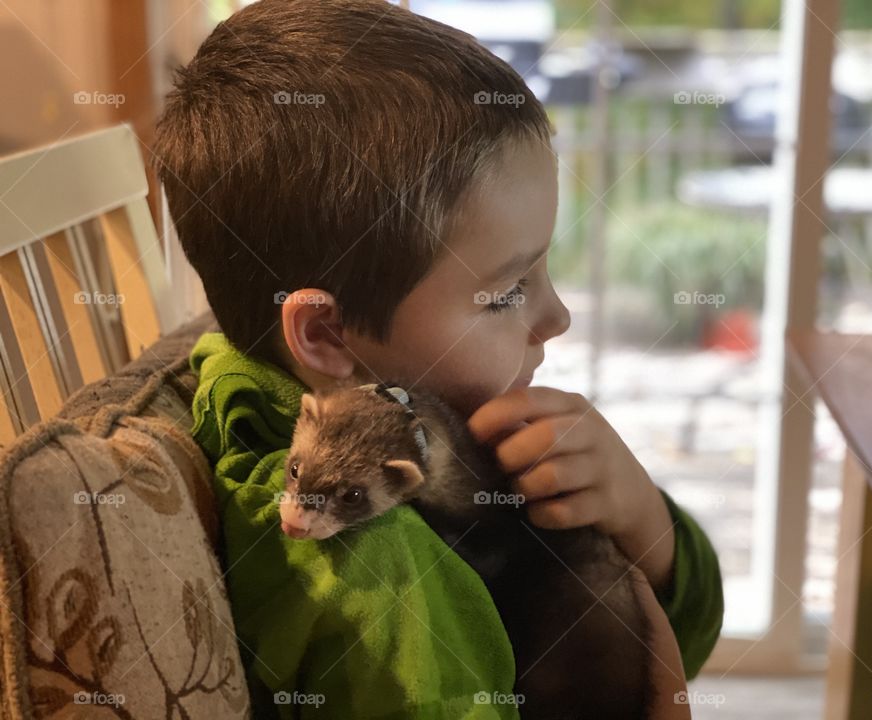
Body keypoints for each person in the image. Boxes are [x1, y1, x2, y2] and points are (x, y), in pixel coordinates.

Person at [153, 0, 723, 717]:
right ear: (327, 336)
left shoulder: (434, 424)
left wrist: (646, 524)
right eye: (509, 289)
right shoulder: (371, 559)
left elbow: (685, 640)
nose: (558, 318)